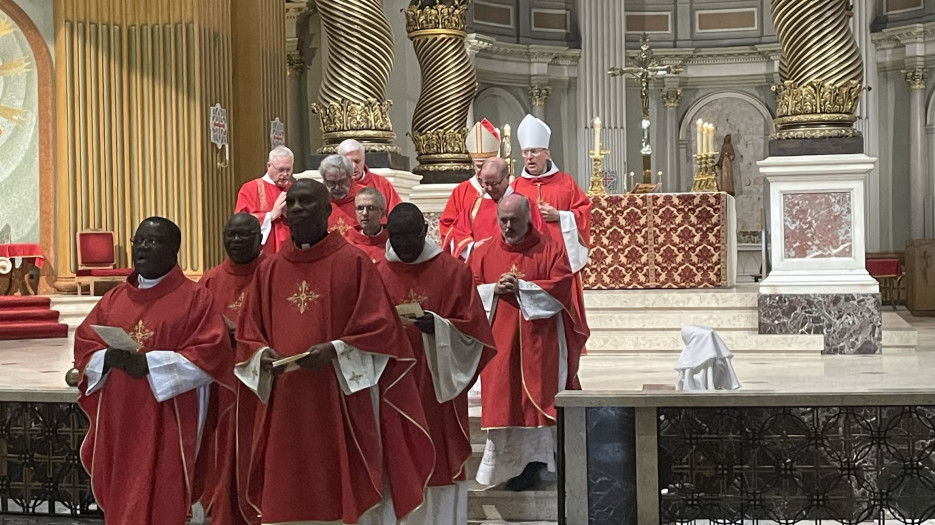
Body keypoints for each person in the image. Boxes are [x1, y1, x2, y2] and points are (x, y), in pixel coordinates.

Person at [233, 178, 434, 525]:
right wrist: (259, 354)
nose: (296, 209)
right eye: (291, 202)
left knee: (339, 492)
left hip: (338, 401)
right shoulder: (269, 269)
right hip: (286, 405)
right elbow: (250, 333)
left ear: (327, 211)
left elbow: (382, 332)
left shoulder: (353, 264)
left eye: (306, 202)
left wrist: (336, 350)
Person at [73, 217, 234, 524]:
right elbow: (85, 344)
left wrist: (147, 363)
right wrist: (107, 359)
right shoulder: (114, 299)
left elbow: (211, 354)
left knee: (165, 491)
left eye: (154, 241)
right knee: (123, 493)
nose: (143, 248)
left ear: (174, 250)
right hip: (121, 417)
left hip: (171, 415)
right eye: (139, 241)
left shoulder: (196, 298)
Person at [376, 204, 496, 524]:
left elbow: (476, 334)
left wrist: (438, 327)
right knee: (394, 459)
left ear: (424, 232)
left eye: (408, 237)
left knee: (439, 458)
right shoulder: (377, 273)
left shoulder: (453, 272)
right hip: (391, 386)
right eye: (395, 237)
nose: (401, 244)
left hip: (435, 386)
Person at [468, 194, 589, 492]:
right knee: (503, 402)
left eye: (514, 220)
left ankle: (536, 465)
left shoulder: (549, 249)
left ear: (529, 218)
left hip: (539, 342)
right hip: (499, 343)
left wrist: (522, 288)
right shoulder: (483, 251)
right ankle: (507, 466)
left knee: (537, 403)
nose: (508, 226)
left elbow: (561, 287)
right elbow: (467, 290)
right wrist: (492, 290)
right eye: (503, 220)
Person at [198, 213, 265, 525]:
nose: (236, 241)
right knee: (220, 452)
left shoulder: (272, 273)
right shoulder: (210, 281)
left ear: (260, 238)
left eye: (244, 235)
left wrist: (243, 336)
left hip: (261, 386)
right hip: (221, 385)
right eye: (231, 235)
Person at [511, 114, 590, 333]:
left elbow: (583, 212)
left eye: (535, 151)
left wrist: (561, 216)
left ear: (546, 153)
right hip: (528, 262)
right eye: (526, 152)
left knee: (563, 323)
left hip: (560, 261)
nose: (530, 157)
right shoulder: (515, 187)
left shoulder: (565, 183)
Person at [443, 157, 545, 261]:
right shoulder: (475, 206)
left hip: (518, 263)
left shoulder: (524, 204)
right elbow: (456, 232)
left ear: (507, 178)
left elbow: (540, 237)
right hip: (483, 266)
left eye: (495, 184)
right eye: (486, 184)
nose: (490, 189)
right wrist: (472, 246)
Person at [439, 119, 500, 249]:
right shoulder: (461, 192)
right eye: (479, 166)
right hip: (470, 259)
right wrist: (470, 246)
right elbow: (447, 227)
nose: (483, 172)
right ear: (473, 164)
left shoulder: (506, 190)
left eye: (487, 166)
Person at [234, 145, 294, 254]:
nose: (285, 174)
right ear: (269, 166)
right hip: (263, 251)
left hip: (290, 248)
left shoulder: (293, 189)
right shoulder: (250, 189)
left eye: (288, 169)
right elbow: (240, 223)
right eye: (280, 169)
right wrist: (270, 216)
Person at [337, 139, 403, 211]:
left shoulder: (382, 184)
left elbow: (397, 217)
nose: (354, 167)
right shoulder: (331, 186)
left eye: (357, 161)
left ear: (364, 159)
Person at [320, 153, 365, 237]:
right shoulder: (317, 198)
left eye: (342, 182)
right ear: (324, 180)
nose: (337, 188)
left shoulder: (366, 197)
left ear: (350, 177)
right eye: (331, 183)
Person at [346, 187, 390, 263]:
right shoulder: (347, 244)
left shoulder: (391, 243)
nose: (365, 213)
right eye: (360, 208)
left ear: (382, 213)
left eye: (371, 208)